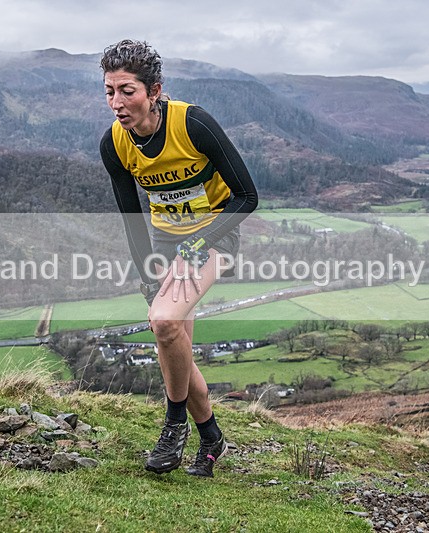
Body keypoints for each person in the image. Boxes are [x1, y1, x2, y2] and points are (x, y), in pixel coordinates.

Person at [99, 40, 258, 477]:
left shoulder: (194, 124)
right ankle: (211, 437)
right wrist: (146, 273)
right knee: (176, 346)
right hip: (164, 244)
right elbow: (132, 219)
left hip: (213, 238)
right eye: (110, 91)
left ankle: (173, 426)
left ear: (154, 91)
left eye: (127, 90)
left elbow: (247, 197)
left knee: (165, 323)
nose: (117, 102)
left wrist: (199, 243)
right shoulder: (114, 143)